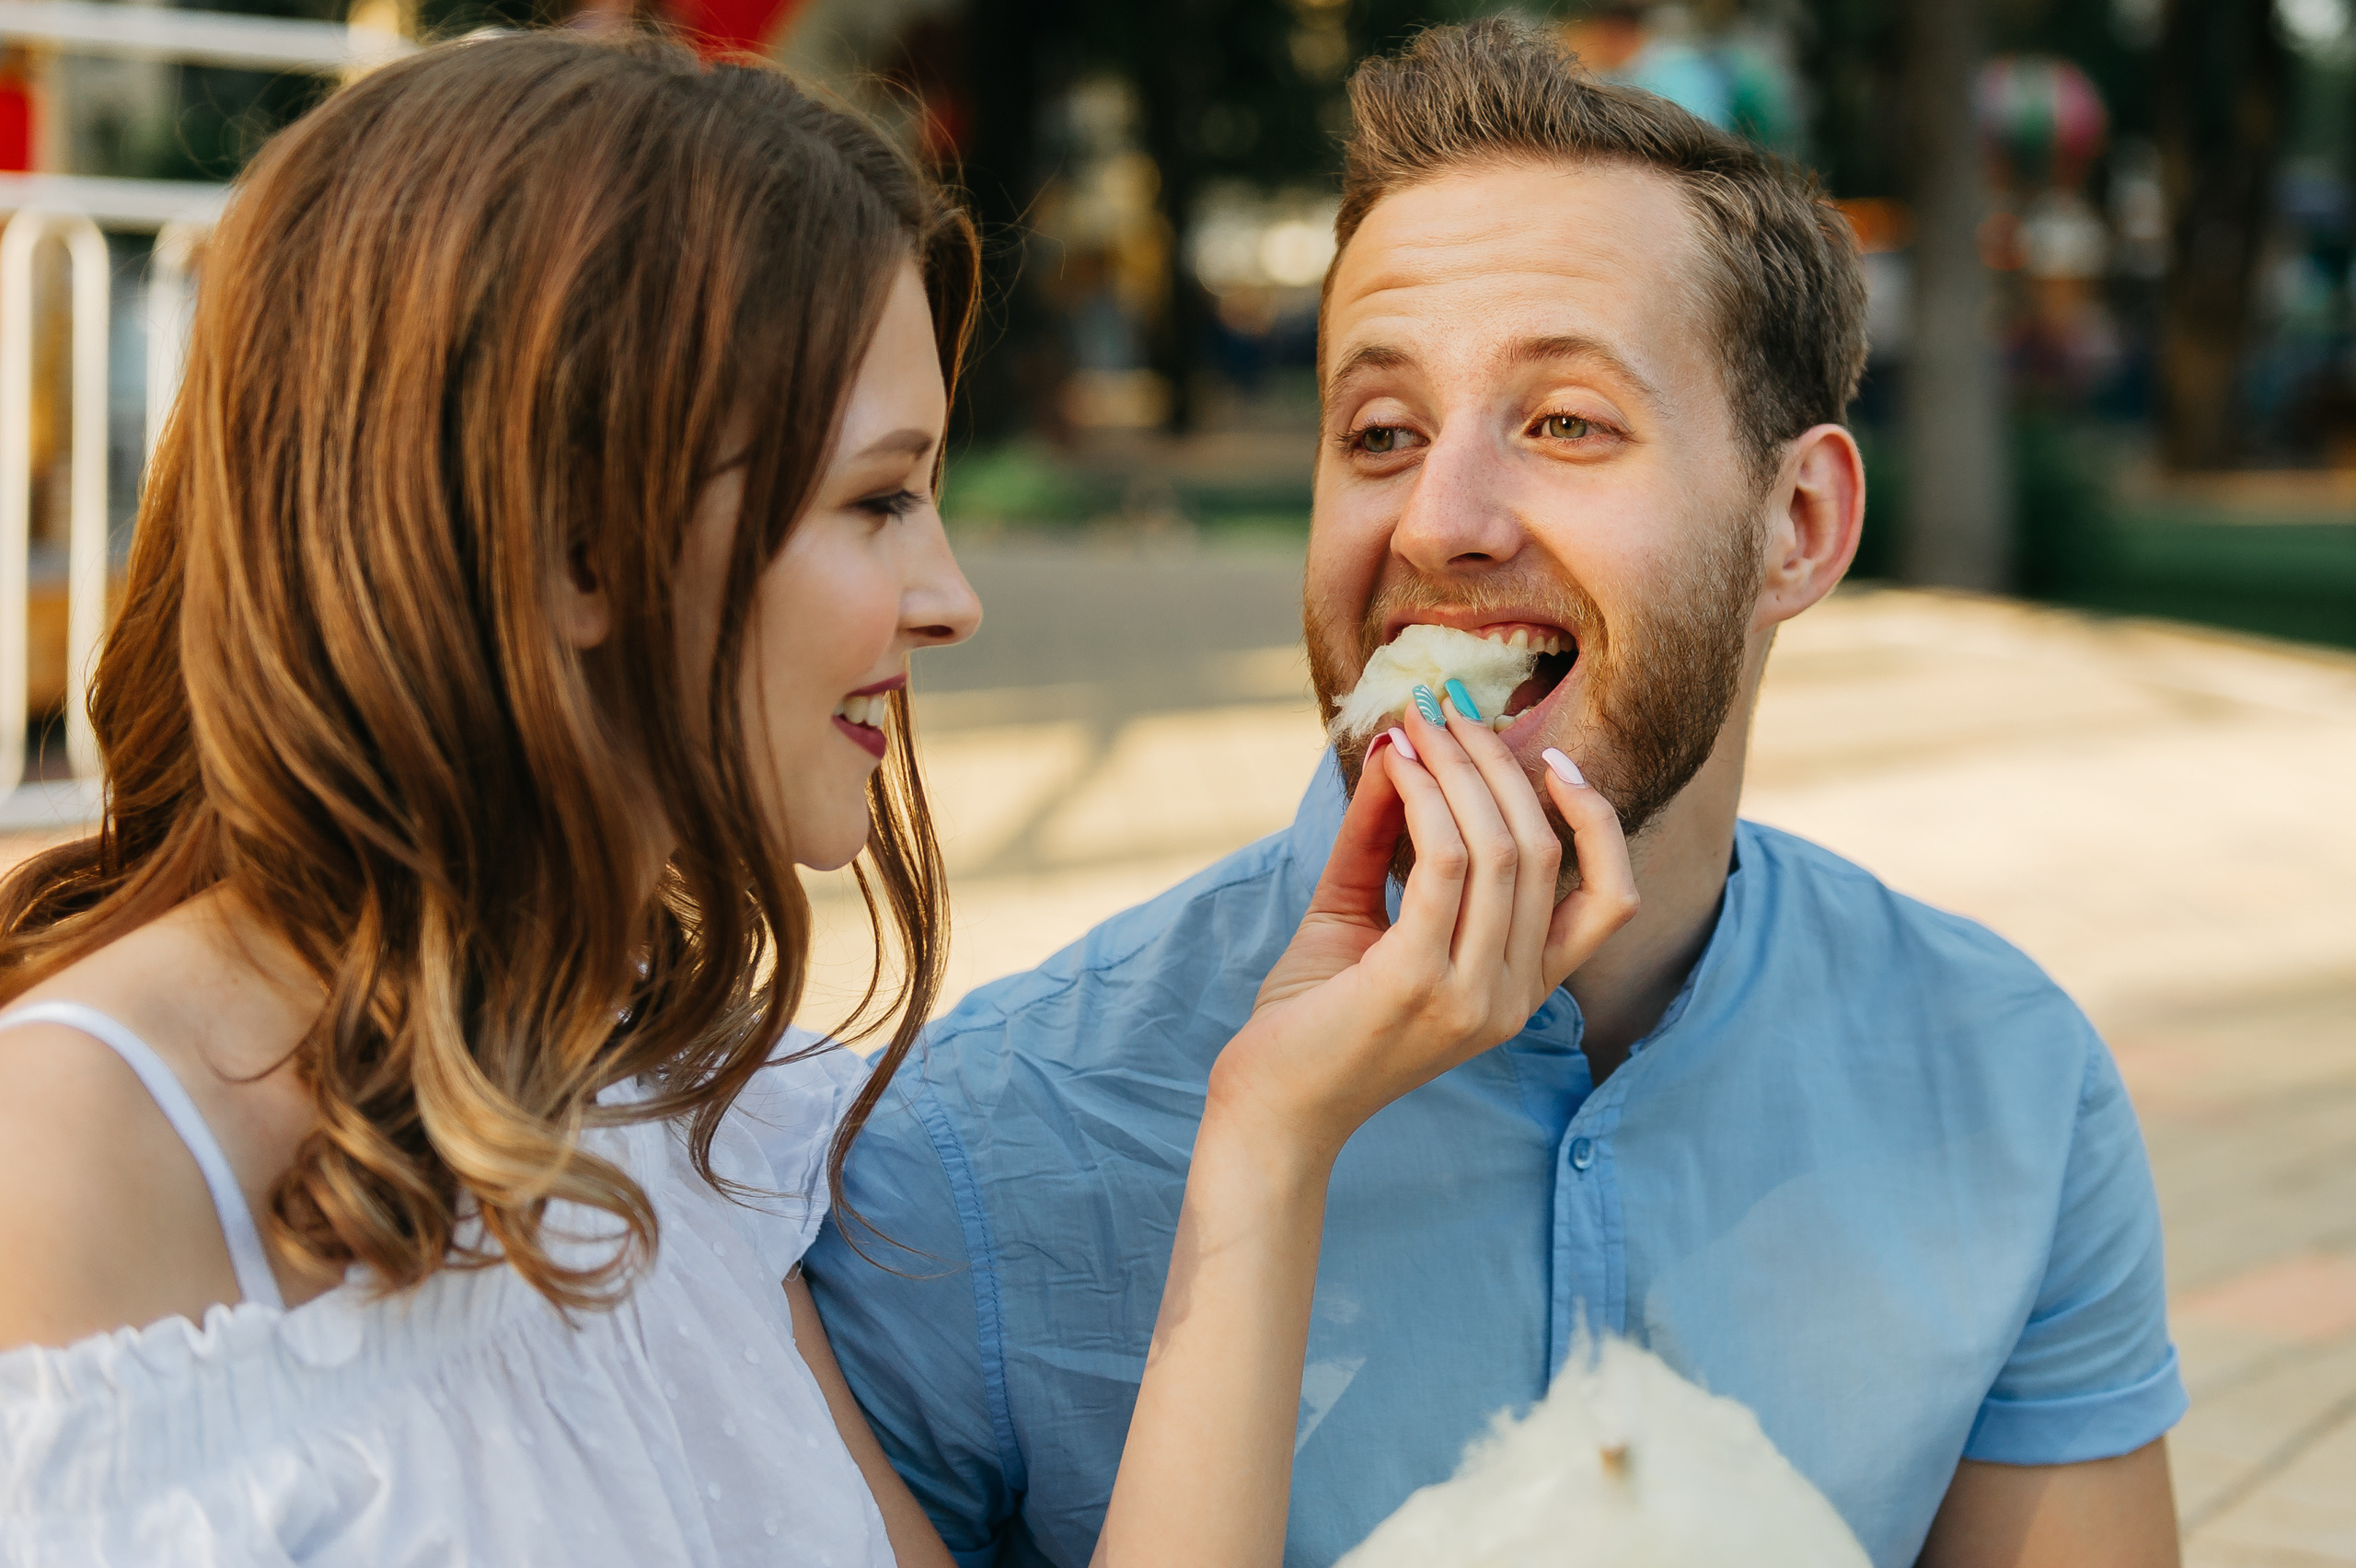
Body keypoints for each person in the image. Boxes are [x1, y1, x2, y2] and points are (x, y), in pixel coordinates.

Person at [0, 27, 1636, 1567]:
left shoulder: (652, 1084)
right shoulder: (68, 1168)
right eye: (877, 503)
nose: (949, 598)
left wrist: (1274, 1132)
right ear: (575, 538)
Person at [805, 20, 2188, 1568]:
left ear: (1797, 523)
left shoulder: (2005, 1086)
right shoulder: (973, 1154)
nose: (1438, 521)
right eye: (1380, 434)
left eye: (1565, 423)